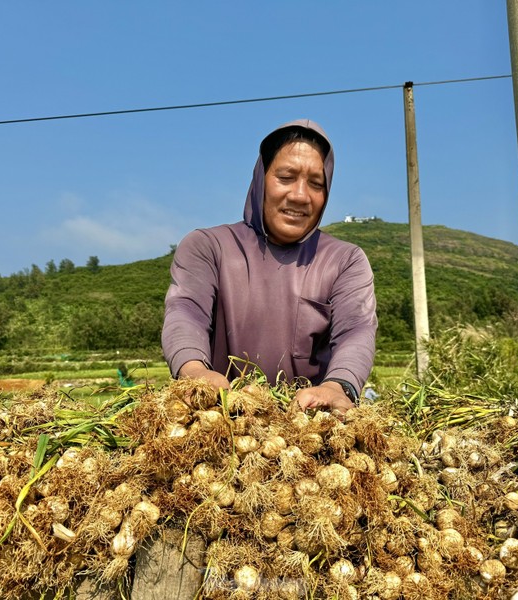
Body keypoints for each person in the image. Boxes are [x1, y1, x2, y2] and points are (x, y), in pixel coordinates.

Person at [161, 119, 377, 415]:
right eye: (286, 177)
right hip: (221, 418)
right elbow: (186, 313)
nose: (300, 195)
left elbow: (356, 331)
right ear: (261, 179)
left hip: (309, 427)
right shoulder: (208, 247)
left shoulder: (345, 260)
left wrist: (336, 387)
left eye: (316, 183)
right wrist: (195, 372)